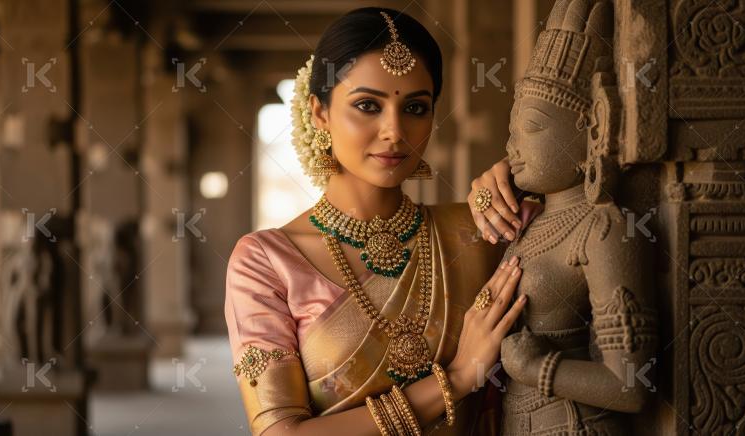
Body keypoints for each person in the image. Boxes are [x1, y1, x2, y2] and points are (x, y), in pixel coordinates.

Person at [225, 7, 532, 436]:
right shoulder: (265, 261)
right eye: (367, 105)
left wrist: (517, 178)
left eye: (416, 107)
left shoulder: (474, 230)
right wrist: (460, 378)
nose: (394, 130)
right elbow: (282, 433)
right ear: (320, 113)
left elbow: (572, 218)